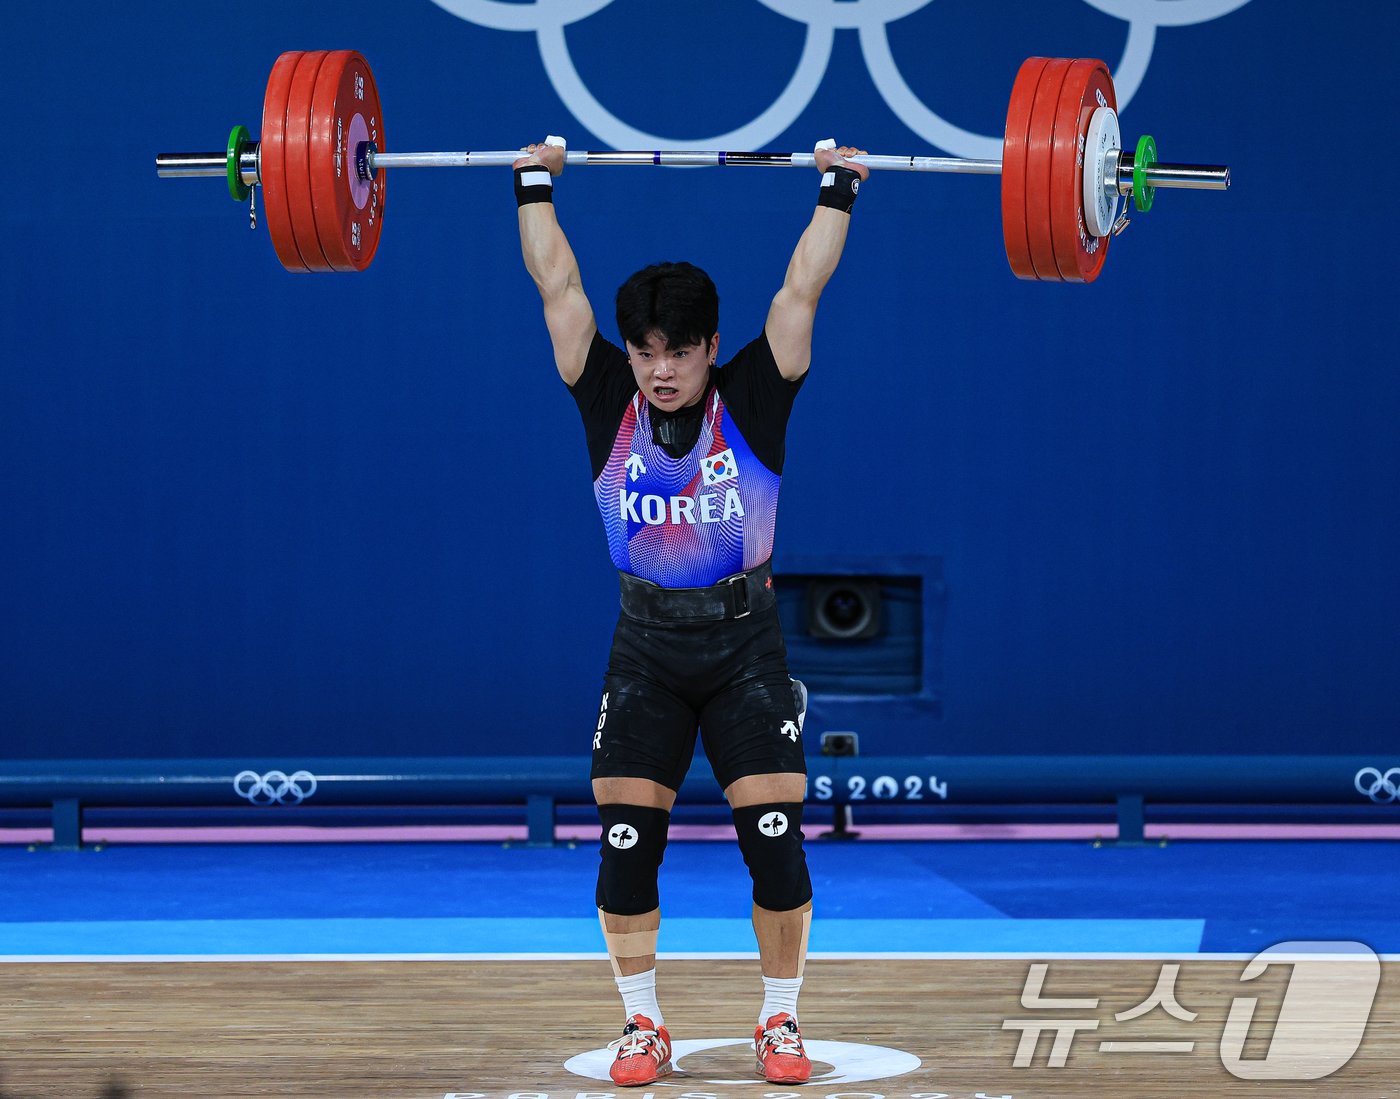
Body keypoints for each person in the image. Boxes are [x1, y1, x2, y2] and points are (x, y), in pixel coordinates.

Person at [512, 135, 868, 1086]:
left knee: (776, 840)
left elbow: (800, 289)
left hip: (745, 645)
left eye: (678, 351)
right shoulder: (603, 395)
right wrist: (532, 179)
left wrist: (837, 188)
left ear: (712, 347)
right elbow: (559, 286)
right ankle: (643, 1026)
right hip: (646, 650)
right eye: (645, 351)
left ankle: (780, 1022)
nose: (659, 370)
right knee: (626, 846)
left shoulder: (754, 392)